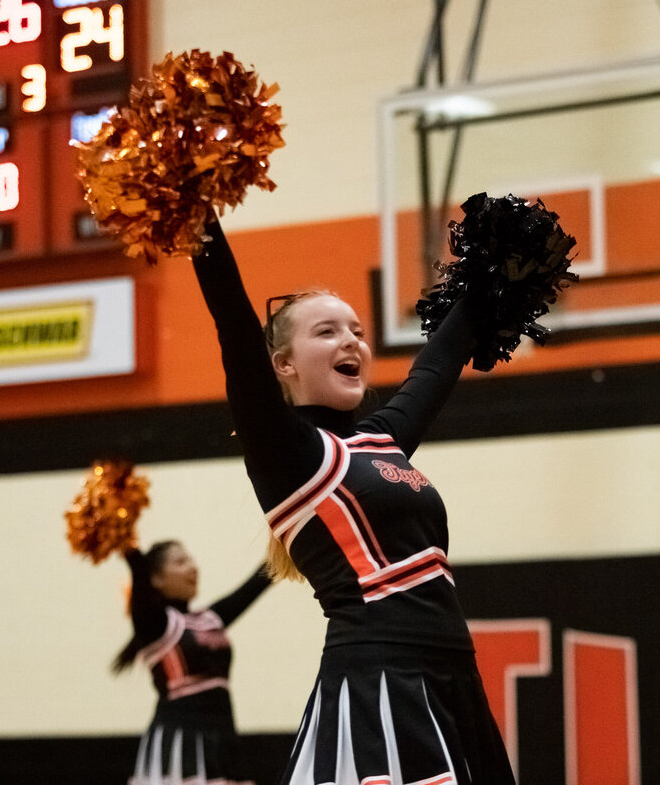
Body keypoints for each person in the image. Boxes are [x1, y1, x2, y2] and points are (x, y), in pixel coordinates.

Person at [191, 212, 515, 784]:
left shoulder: (382, 439)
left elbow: (438, 363)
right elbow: (234, 327)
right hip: (381, 681)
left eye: (357, 331)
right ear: (283, 365)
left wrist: (496, 268)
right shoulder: (288, 453)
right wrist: (196, 217)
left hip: (453, 679)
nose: (351, 341)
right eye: (327, 332)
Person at [115, 539, 273, 784]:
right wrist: (126, 542)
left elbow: (258, 581)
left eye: (191, 560)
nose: (193, 567)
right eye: (180, 562)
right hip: (181, 743)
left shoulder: (210, 619)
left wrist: (290, 537)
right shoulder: (156, 625)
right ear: (155, 579)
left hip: (223, 742)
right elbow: (138, 573)